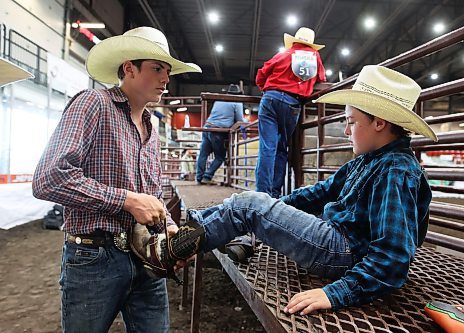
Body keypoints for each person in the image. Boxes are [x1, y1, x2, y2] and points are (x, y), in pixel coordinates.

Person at [131, 65, 439, 315]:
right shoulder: (372, 160)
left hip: (344, 253)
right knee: (252, 205)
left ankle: (169, 251)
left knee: (248, 206)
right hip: (337, 240)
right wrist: (272, 207)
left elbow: (393, 258)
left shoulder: (396, 171)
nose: (346, 131)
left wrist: (335, 292)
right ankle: (181, 244)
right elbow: (321, 192)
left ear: (380, 123)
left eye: (351, 122)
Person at [32, 26, 201, 332]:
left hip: (146, 259)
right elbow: (49, 177)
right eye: (157, 68)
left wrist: (168, 228)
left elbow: (151, 196)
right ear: (128, 69)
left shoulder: (152, 131)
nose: (166, 79)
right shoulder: (93, 104)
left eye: (168, 71)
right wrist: (126, 200)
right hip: (93, 258)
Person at [255, 27, 326, 198]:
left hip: (270, 99)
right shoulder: (314, 57)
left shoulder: (284, 54)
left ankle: (261, 194)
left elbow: (261, 74)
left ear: (294, 40)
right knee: (281, 149)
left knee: (267, 147)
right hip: (292, 104)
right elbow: (321, 79)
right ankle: (274, 194)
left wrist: (266, 89)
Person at [196, 84, 244, 185]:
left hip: (207, 127)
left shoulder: (219, 99)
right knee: (220, 157)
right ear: (238, 94)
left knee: (203, 154)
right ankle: (207, 176)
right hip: (219, 131)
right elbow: (240, 120)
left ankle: (199, 177)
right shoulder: (237, 102)